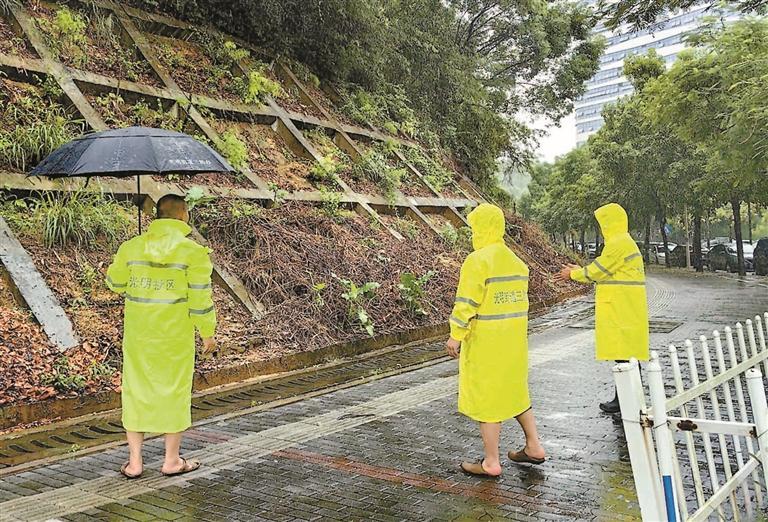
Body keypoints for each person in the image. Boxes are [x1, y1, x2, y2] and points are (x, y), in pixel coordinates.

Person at [106, 194, 217, 479]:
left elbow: (115, 283)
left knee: (136, 391)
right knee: (175, 391)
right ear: (183, 216)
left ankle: (134, 463)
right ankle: (171, 460)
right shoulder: (193, 252)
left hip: (139, 335)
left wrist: (133, 259)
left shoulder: (132, 247)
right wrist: (207, 333)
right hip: (175, 336)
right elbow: (200, 299)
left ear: (157, 216)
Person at [446, 203, 546, 478]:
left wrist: (456, 335)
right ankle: (534, 446)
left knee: (488, 399)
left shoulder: (478, 260)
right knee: (514, 392)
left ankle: (491, 461)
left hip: (487, 342)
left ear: (482, 227)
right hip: (513, 342)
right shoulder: (517, 262)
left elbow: (467, 302)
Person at [555, 202, 649, 416]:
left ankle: (629, 403)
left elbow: (598, 270)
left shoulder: (618, 244)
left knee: (626, 358)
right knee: (624, 356)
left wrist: (573, 274)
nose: (601, 227)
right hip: (624, 308)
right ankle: (622, 400)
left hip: (622, 310)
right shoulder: (623, 242)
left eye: (602, 223)